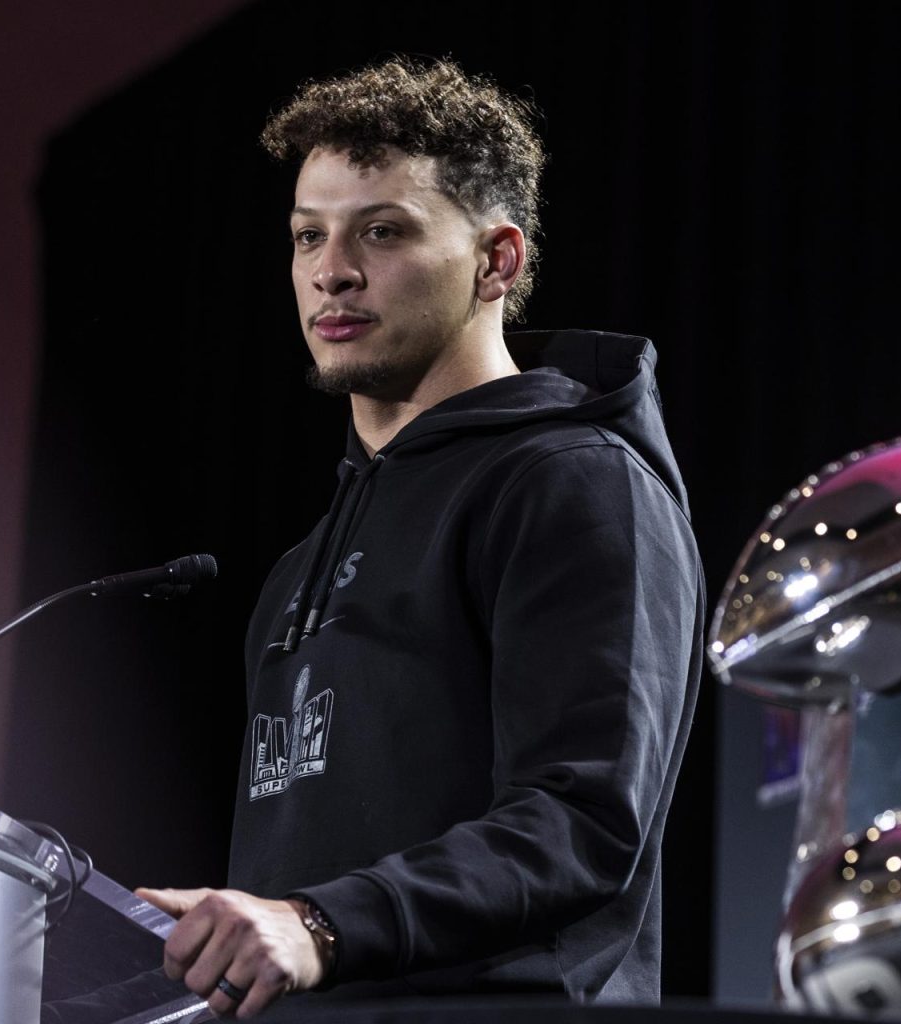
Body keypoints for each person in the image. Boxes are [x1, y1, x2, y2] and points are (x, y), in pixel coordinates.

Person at [136, 56, 703, 1019]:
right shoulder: (295, 573)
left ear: (498, 261)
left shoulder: (573, 484)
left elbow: (581, 824)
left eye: (383, 231)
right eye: (307, 235)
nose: (331, 269)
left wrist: (316, 925)